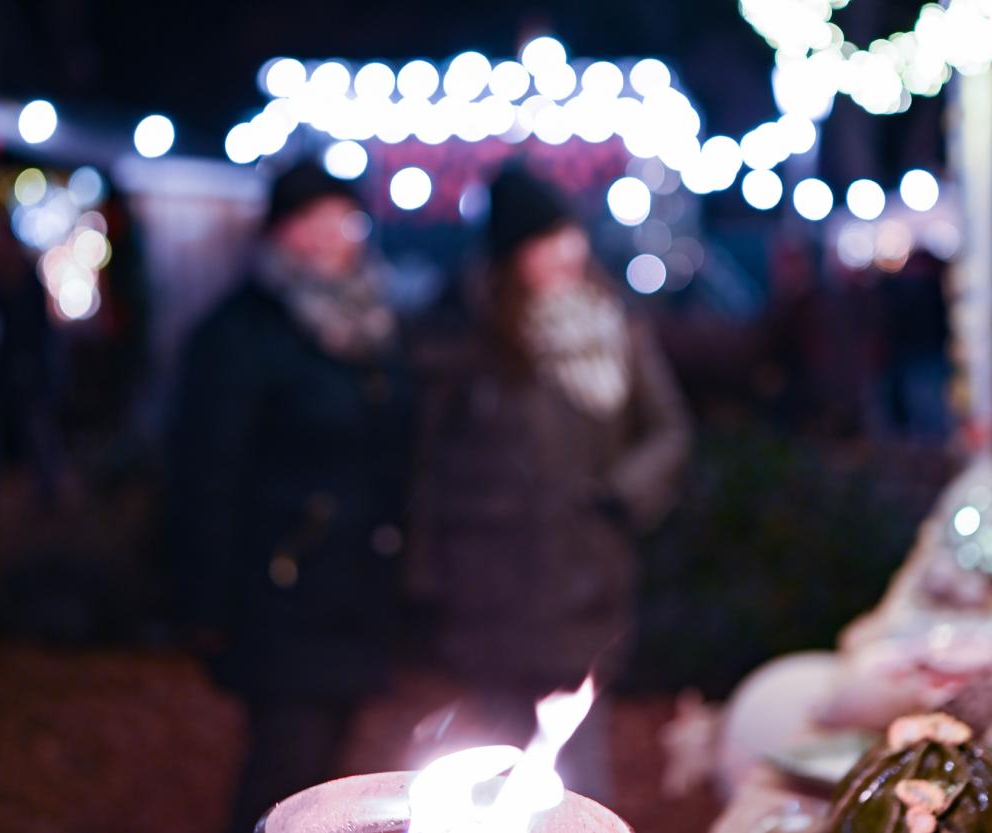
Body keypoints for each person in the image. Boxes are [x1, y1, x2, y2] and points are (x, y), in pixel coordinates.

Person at [410, 165, 691, 803]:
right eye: (543, 241)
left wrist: (622, 493)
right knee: (494, 765)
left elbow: (668, 430)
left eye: (568, 234)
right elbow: (427, 464)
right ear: (511, 256)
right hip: (491, 590)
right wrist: (425, 577)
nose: (565, 252)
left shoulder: (614, 328)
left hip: (584, 581)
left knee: (575, 777)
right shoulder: (466, 338)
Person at [168, 161, 409, 833]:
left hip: (356, 585)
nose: (331, 235)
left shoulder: (374, 325)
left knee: (331, 776)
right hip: (278, 588)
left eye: (343, 218)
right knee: (283, 774)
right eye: (312, 219)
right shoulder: (242, 331)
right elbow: (205, 471)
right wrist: (205, 601)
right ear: (279, 230)